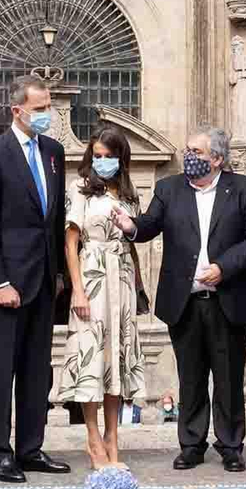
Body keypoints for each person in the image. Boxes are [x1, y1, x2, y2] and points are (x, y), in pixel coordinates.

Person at [113, 128, 246, 473]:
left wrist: (223, 268)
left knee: (228, 379)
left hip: (228, 299)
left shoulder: (244, 189)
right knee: (191, 377)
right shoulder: (169, 188)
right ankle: (192, 445)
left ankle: (230, 446)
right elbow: (149, 225)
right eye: (187, 150)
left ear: (217, 159)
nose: (189, 156)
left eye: (196, 151)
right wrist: (129, 225)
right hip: (184, 300)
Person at [0, 76, 71, 483]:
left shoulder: (53, 152)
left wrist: (60, 273)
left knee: (36, 371)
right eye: (41, 108)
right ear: (18, 110)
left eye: (48, 106)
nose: (48, 114)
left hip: (44, 281)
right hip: (7, 284)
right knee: (1, 372)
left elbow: (53, 220)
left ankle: (31, 448)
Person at [58, 125, 148, 469]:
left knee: (116, 360)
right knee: (90, 356)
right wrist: (77, 290)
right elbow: (70, 243)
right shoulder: (79, 189)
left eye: (109, 156)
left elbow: (135, 235)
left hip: (122, 276)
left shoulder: (129, 191)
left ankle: (113, 438)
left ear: (121, 158)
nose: (103, 161)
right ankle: (93, 438)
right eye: (97, 156)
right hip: (92, 274)